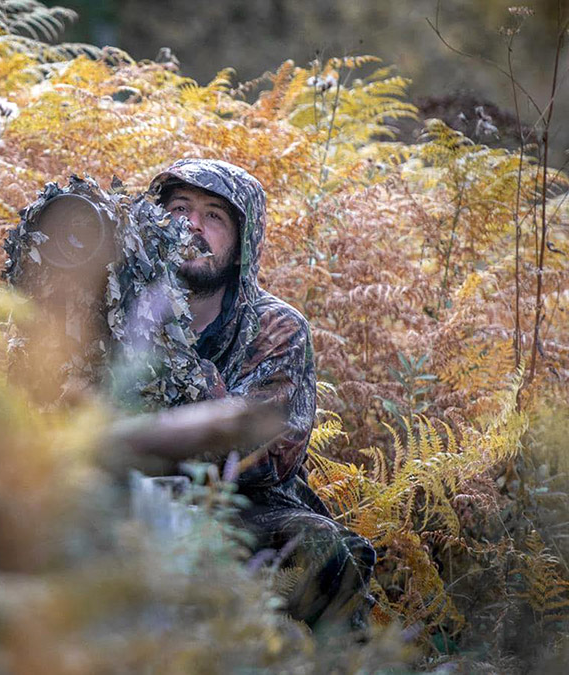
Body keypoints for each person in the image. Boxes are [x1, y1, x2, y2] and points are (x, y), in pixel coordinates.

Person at [145, 158, 376, 631]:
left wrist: (180, 359)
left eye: (214, 216)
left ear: (242, 240)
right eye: (180, 208)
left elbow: (269, 459)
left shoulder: (276, 328)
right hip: (127, 488)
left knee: (325, 553)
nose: (192, 225)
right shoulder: (115, 306)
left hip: (242, 505)